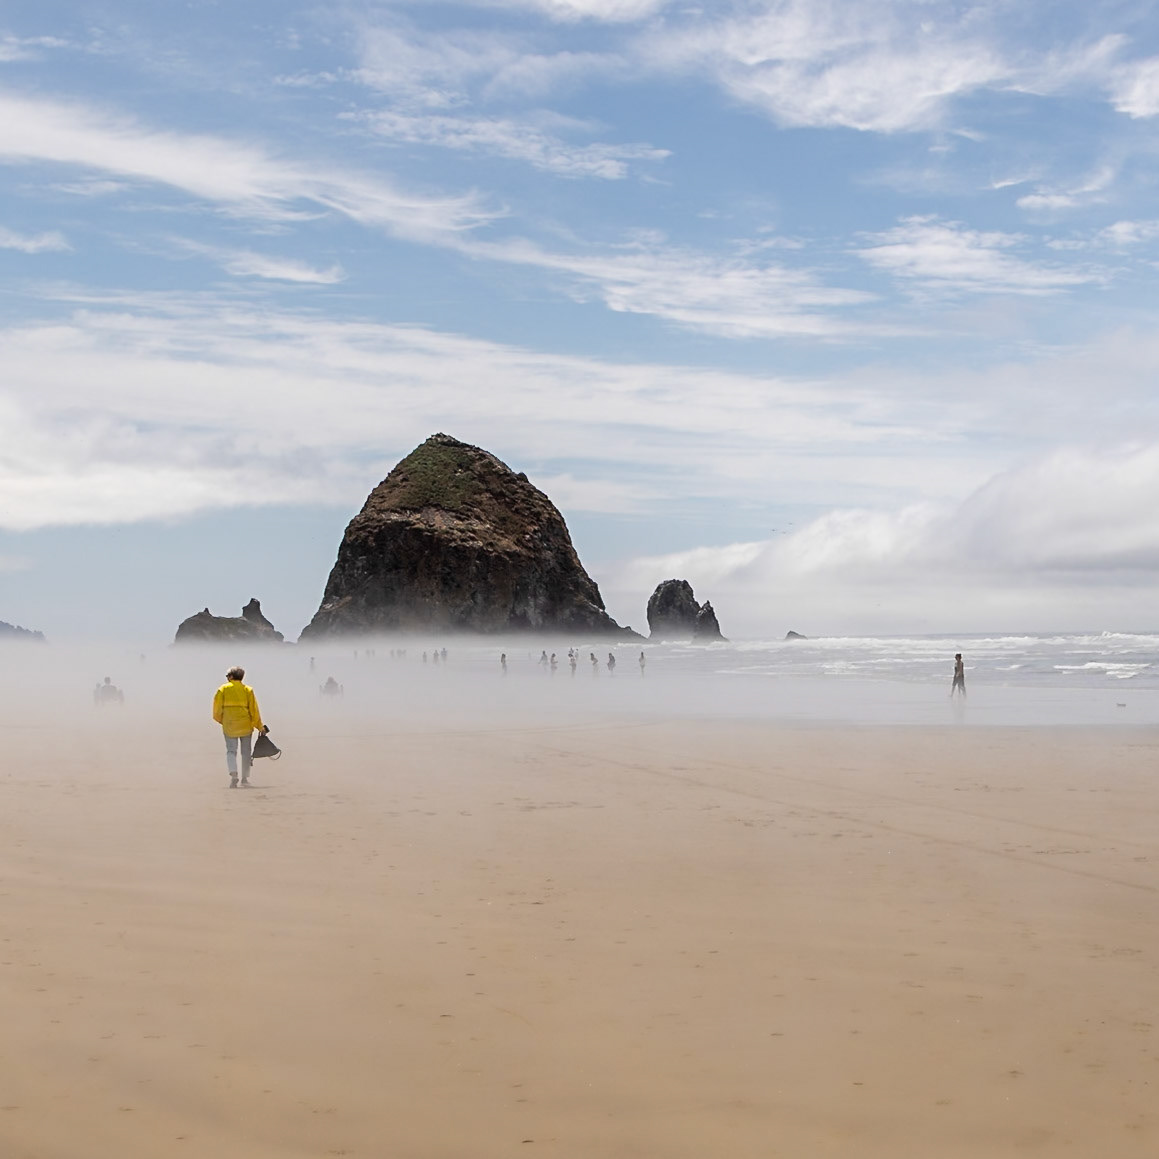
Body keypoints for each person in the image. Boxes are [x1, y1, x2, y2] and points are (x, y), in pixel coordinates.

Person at [212, 666, 266, 788]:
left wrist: (222, 721)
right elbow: (254, 710)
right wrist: (259, 726)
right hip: (245, 725)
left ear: (231, 677)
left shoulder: (222, 689)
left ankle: (234, 774)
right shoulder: (248, 690)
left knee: (231, 751)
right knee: (246, 752)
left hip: (229, 725)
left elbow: (216, 711)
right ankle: (245, 779)